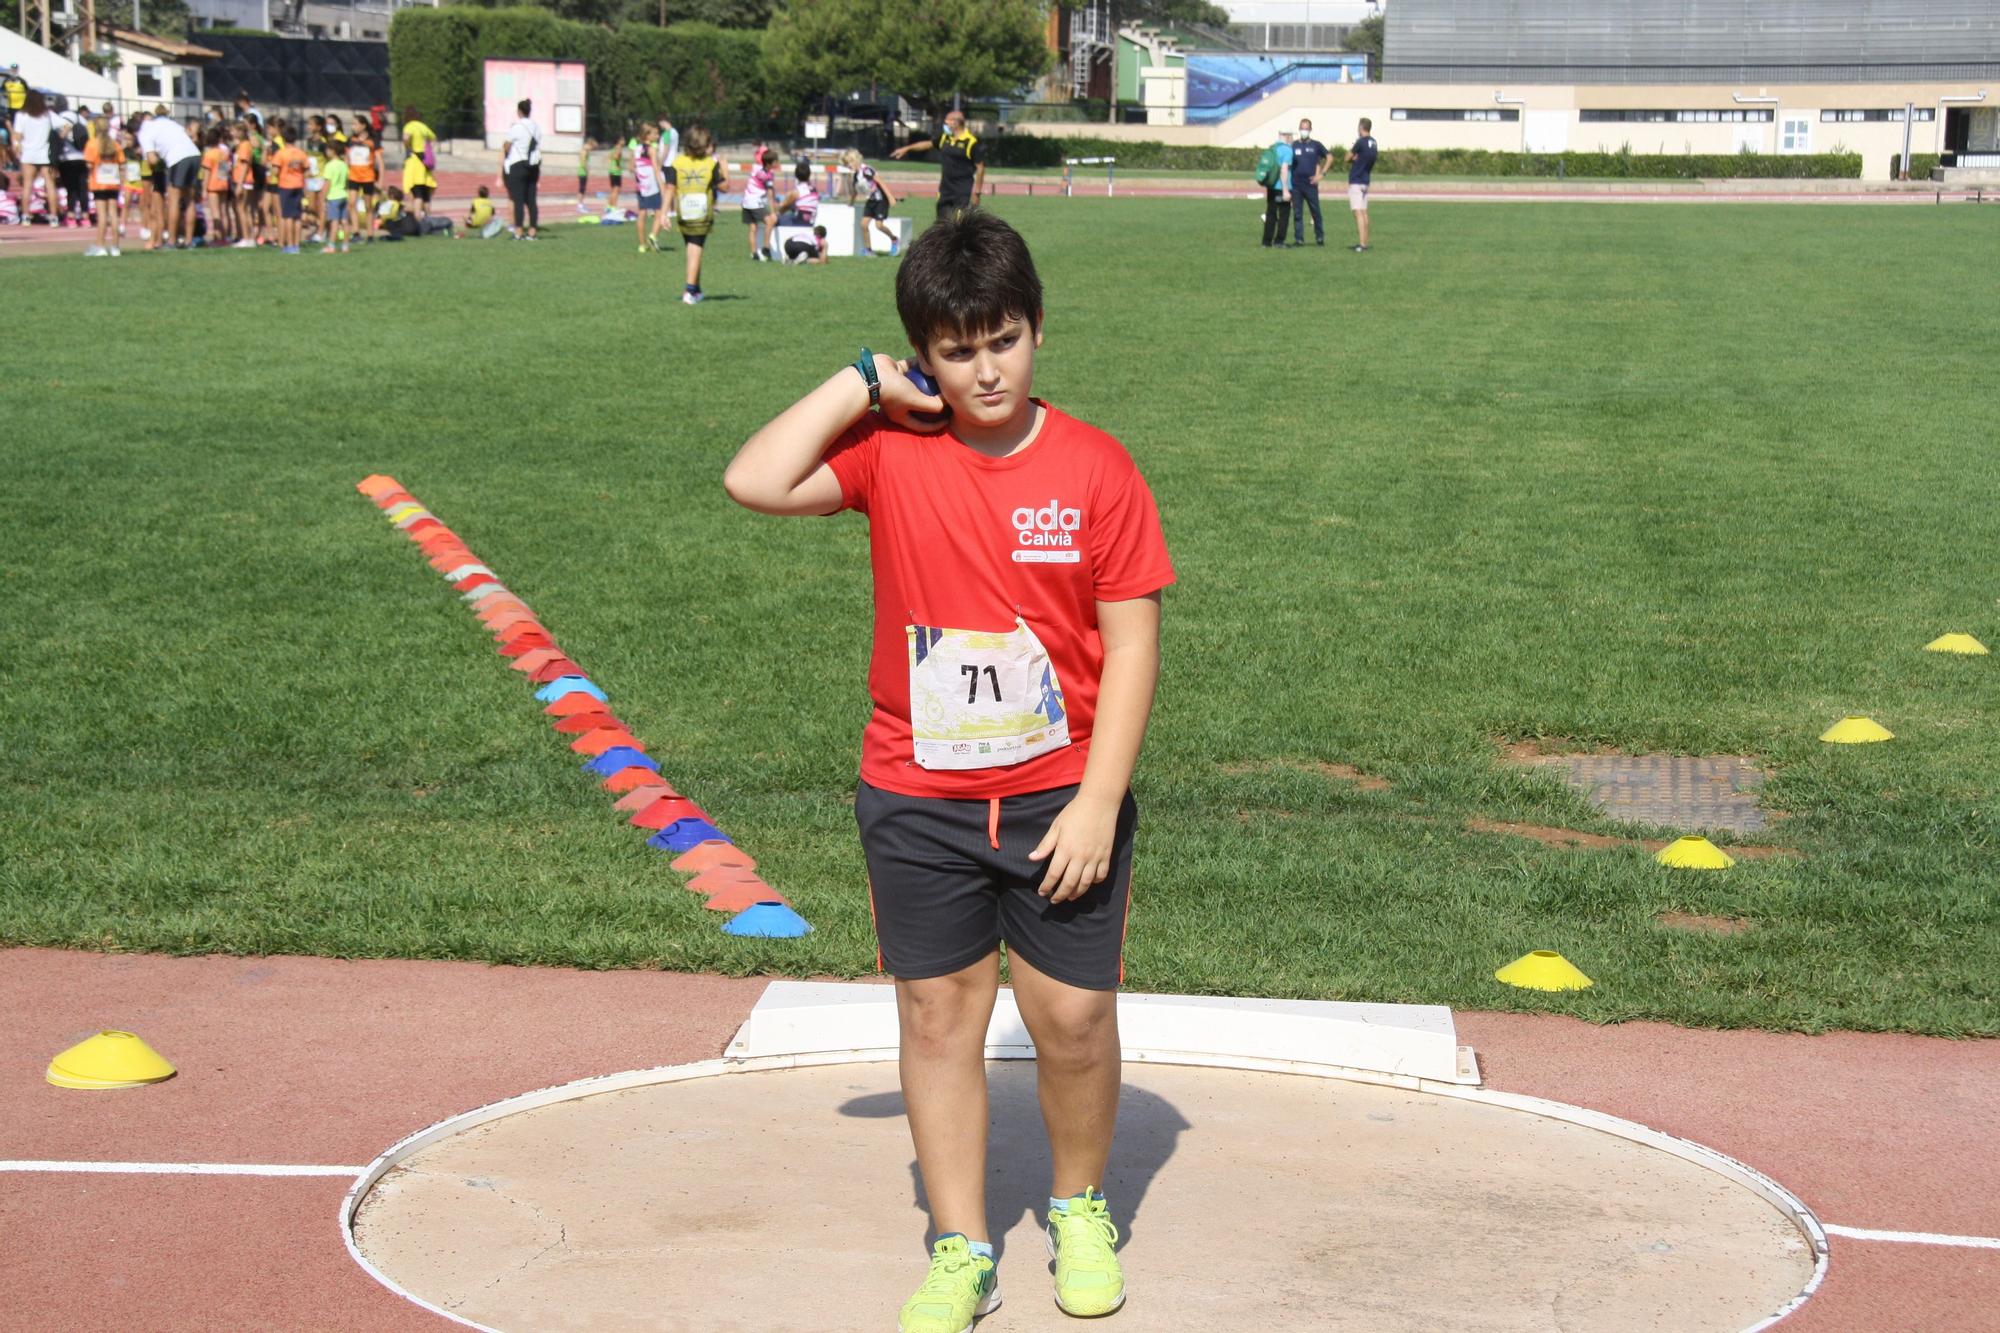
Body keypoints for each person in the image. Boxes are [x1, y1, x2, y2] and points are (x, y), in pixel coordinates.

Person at [721, 210, 1172, 1333]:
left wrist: (1099, 800)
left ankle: (1077, 1206)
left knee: (1068, 1019)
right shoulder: (889, 452)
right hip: (916, 794)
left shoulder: (1095, 466)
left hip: (1060, 796)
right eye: (956, 349)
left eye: (1003, 340)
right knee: (936, 1017)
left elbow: (1130, 642)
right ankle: (960, 1244)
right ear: (921, 355)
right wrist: (857, 385)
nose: (984, 369)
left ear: (1034, 332)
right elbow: (755, 480)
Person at [662, 124, 725, 305]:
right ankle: (689, 291)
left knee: (692, 249)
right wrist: (725, 169)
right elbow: (724, 186)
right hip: (702, 214)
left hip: (684, 213)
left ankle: (696, 289)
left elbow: (669, 188)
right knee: (696, 249)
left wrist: (663, 213)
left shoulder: (677, 163)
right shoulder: (711, 164)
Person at [890, 108, 985, 222]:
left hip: (962, 192)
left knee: (959, 224)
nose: (945, 125)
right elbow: (928, 144)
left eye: (947, 122)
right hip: (945, 190)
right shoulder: (945, 138)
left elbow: (980, 167)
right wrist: (907, 148)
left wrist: (977, 191)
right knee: (941, 224)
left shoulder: (970, 142)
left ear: (956, 123)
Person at [137, 107, 203, 249]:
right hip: (195, 155)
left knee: (174, 199)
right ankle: (189, 240)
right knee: (190, 199)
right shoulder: (173, 124)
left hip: (177, 158)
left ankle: (172, 241)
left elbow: (152, 160)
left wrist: (159, 161)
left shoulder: (146, 133)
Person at [841, 149, 901, 257]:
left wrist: (891, 197)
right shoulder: (855, 176)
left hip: (880, 199)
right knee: (863, 225)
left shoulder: (866, 170)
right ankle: (868, 250)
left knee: (879, 225)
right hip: (871, 200)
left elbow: (880, 182)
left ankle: (894, 239)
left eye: (849, 162)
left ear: (855, 160)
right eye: (846, 164)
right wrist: (851, 203)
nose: (848, 165)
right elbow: (854, 192)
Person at [11, 91, 58, 229]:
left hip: (29, 153)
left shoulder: (21, 115)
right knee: (50, 185)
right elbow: (65, 125)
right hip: (45, 153)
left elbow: (17, 136)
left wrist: (17, 147)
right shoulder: (47, 115)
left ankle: (26, 216)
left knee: (27, 185)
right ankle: (54, 217)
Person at [81, 117, 124, 256]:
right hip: (113, 182)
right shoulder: (115, 144)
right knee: (113, 214)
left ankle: (100, 245)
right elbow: (122, 163)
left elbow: (88, 164)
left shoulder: (92, 144)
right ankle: (116, 246)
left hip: (99, 183)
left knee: (102, 215)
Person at [500, 98, 541, 240]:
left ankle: (518, 231)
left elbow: (506, 144)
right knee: (531, 200)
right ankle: (533, 231)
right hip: (534, 165)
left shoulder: (517, 127)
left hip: (518, 164)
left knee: (518, 200)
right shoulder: (536, 127)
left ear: (519, 112)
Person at [1289, 117, 1329, 247]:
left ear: (1310, 130)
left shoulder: (1316, 145)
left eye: (1306, 128)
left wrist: (1321, 174)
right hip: (1296, 184)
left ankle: (1319, 237)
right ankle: (1299, 239)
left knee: (1315, 211)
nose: (1303, 130)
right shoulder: (1294, 145)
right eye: (1302, 128)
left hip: (1310, 184)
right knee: (1298, 213)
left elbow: (1329, 157)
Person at [270, 121, 310, 254]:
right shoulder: (301, 153)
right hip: (298, 185)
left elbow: (275, 171)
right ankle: (297, 245)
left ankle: (289, 244)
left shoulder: (280, 154)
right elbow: (307, 170)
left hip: (285, 186)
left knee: (287, 216)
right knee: (297, 216)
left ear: (283, 138)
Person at [630, 125, 663, 255]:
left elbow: (632, 166)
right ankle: (653, 235)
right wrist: (662, 185)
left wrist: (640, 173)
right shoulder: (652, 150)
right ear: (647, 135)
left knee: (642, 213)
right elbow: (656, 168)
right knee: (659, 212)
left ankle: (642, 245)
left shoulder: (636, 149)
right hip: (651, 185)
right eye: (655, 133)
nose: (657, 136)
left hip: (640, 185)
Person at [346, 124, 382, 241]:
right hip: (353, 176)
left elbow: (380, 161)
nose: (353, 126)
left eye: (355, 123)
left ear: (363, 126)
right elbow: (347, 157)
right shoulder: (351, 140)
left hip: (367, 177)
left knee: (368, 206)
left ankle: (370, 234)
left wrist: (380, 179)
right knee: (351, 203)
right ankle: (356, 233)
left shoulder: (372, 141)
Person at [1347, 116, 1378, 252]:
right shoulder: (1374, 142)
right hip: (1366, 178)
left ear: (1361, 127)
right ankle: (1365, 241)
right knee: (1364, 212)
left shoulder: (1361, 142)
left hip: (1356, 179)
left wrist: (1353, 158)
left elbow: (1347, 157)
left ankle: (1361, 244)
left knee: (1357, 212)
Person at [401, 107, 437, 218]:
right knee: (426, 193)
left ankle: (417, 218)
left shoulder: (409, 126)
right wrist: (429, 149)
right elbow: (433, 138)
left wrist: (408, 147)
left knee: (417, 192)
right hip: (425, 161)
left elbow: (406, 138)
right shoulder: (423, 126)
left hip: (415, 162)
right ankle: (428, 218)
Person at [1260, 127, 1293, 249]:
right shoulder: (1287, 150)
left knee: (1271, 213)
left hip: (1271, 185)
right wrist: (1285, 189)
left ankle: (1266, 241)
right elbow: (1284, 169)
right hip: (1282, 186)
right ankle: (1279, 241)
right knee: (1284, 214)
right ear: (1287, 136)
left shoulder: (1272, 148)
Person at [741, 146, 776, 261]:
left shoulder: (755, 169)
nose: (776, 164)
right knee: (770, 221)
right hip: (755, 203)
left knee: (752, 227)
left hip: (746, 201)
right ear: (770, 164)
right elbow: (770, 194)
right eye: (775, 162)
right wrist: (773, 211)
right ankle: (766, 248)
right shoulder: (768, 175)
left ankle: (754, 253)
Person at [201, 124, 233, 245]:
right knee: (224, 211)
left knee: (215, 212)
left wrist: (204, 189)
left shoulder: (209, 154)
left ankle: (218, 237)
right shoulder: (223, 153)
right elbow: (224, 170)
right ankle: (225, 236)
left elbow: (207, 173)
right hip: (223, 183)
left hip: (212, 186)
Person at [319, 137, 350, 253]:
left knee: (334, 222)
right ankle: (345, 245)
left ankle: (331, 245)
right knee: (345, 221)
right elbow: (346, 181)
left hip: (333, 196)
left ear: (332, 151)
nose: (326, 152)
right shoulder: (344, 165)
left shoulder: (330, 166)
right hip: (343, 195)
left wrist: (323, 199)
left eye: (327, 150)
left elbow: (327, 183)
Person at [774, 158, 819, 228]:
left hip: (798, 222)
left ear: (796, 175)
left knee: (772, 218)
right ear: (809, 174)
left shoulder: (796, 192)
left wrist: (775, 205)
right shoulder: (814, 190)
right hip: (810, 222)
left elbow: (781, 206)